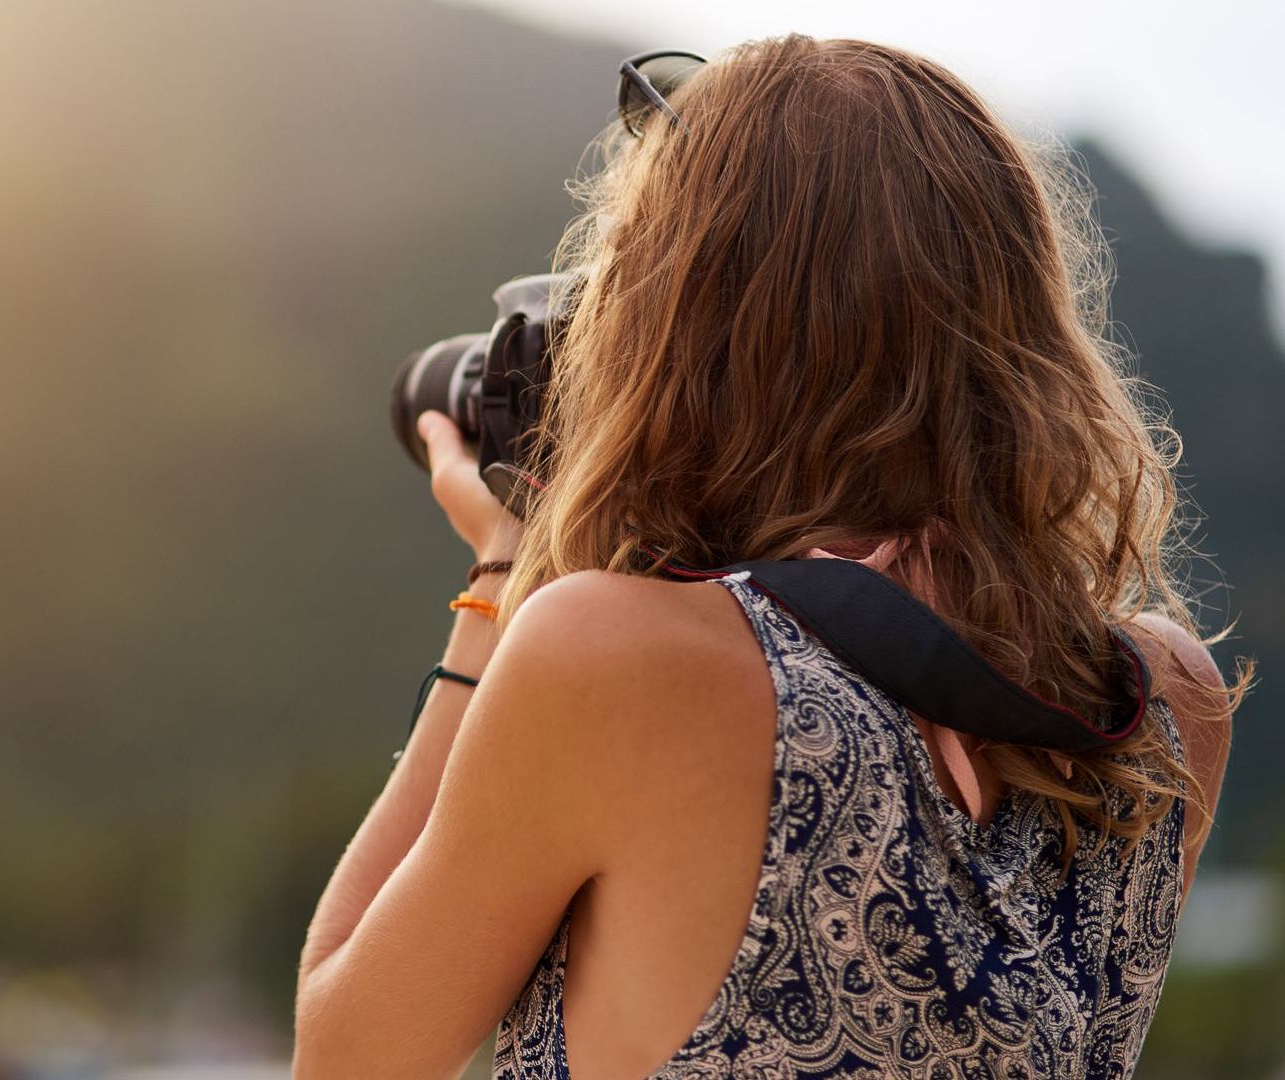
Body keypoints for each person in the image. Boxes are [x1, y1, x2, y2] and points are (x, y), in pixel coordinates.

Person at [291, 32, 1250, 1080]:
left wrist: (501, 580)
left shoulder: (615, 658)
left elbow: (349, 1054)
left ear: (670, 330)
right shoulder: (1159, 703)